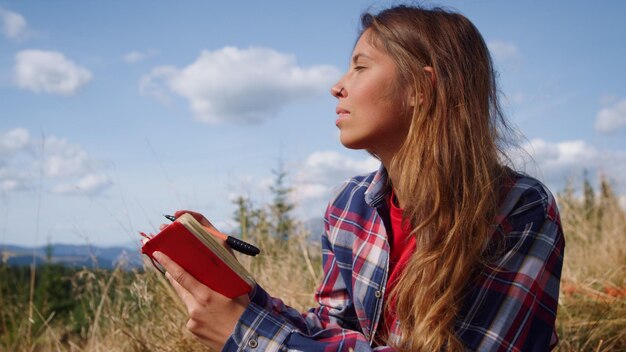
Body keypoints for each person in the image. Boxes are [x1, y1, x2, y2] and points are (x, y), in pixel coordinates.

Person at [151, 5, 565, 351]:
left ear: (422, 87)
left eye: (359, 67)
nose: (336, 87)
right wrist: (239, 293)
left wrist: (247, 338)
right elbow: (331, 333)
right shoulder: (349, 204)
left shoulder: (520, 209)